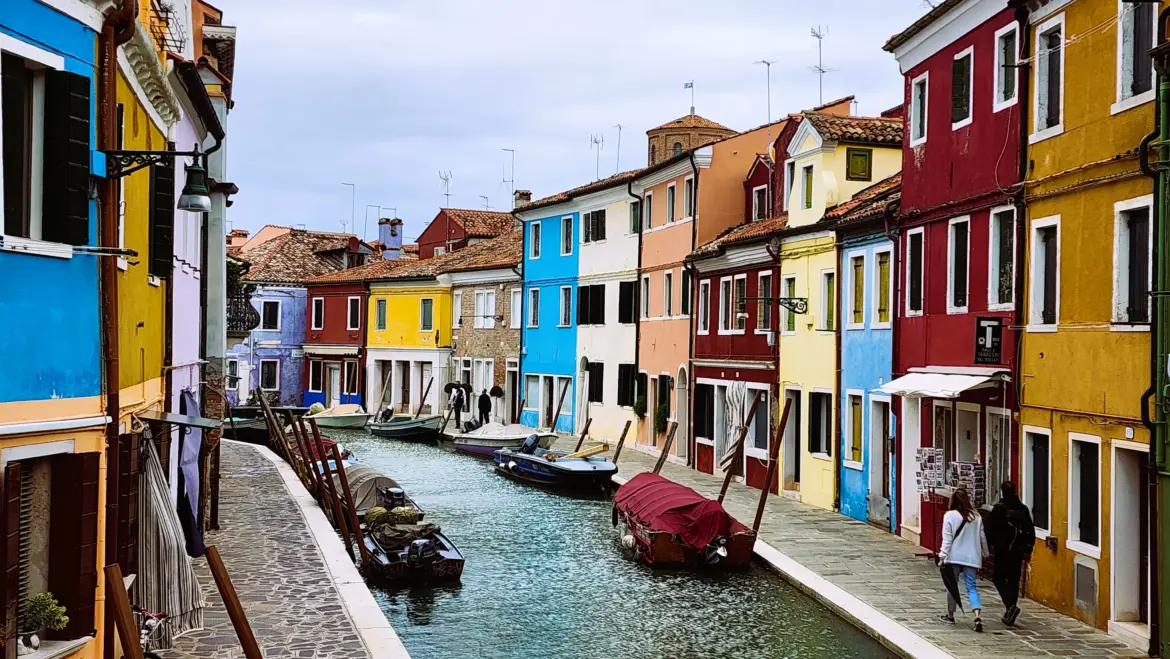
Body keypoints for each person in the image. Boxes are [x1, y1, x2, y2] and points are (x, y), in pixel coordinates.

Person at [939, 487, 989, 632]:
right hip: (972, 556)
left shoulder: (949, 516)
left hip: (954, 556)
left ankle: (950, 615)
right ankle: (977, 615)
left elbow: (947, 539)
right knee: (971, 587)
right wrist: (985, 553)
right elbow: (982, 538)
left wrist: (942, 555)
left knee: (951, 585)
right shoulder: (977, 516)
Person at [986, 482, 1035, 626]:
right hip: (1018, 552)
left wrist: (987, 548)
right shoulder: (1023, 509)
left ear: (1002, 492)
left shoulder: (999, 509)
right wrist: (1028, 550)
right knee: (1013, 581)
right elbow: (1030, 531)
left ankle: (1010, 606)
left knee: (998, 578)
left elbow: (990, 530)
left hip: (1003, 551)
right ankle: (1010, 608)